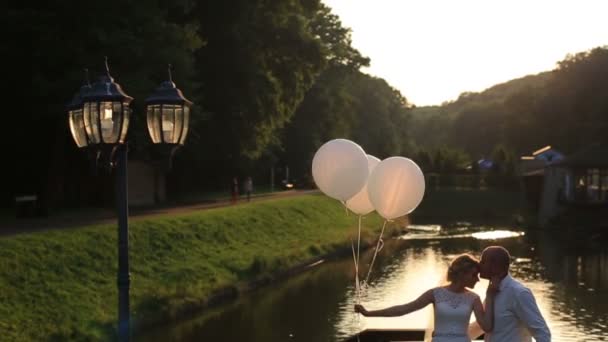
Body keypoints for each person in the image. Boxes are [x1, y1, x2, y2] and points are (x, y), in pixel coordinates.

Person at [355, 254, 499, 342]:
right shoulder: (435, 294)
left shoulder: (474, 298)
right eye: (474, 275)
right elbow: (404, 309)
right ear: (461, 273)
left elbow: (486, 326)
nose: (478, 280)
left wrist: (490, 296)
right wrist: (368, 313)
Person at [469, 246, 551, 342]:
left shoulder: (519, 293)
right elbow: (480, 327)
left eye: (483, 261)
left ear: (494, 265)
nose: (479, 265)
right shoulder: (491, 292)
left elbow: (542, 333)